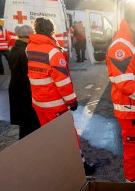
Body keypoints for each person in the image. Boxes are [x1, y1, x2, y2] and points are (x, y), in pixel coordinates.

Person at [26, 17, 95, 175]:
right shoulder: (53, 52)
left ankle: (55, 164)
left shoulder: (30, 47)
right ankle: (81, 166)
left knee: (50, 135)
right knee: (68, 136)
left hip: (38, 102)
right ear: (51, 31)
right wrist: (72, 100)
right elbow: (62, 81)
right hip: (54, 104)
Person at [106, 2, 135, 183]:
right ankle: (131, 185)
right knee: (134, 155)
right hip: (133, 112)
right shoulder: (122, 46)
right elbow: (124, 82)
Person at [8, 25, 40, 139]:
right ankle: (29, 150)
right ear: (29, 36)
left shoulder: (14, 48)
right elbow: (28, 76)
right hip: (25, 91)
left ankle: (25, 146)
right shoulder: (26, 51)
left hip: (15, 88)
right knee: (30, 123)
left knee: (24, 124)